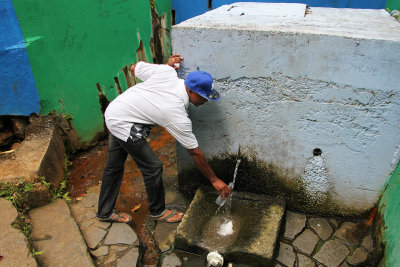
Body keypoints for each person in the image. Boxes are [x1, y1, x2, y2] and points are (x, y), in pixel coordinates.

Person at [96, 54, 232, 223]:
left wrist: (165, 66)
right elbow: (195, 153)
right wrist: (214, 180)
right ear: (189, 90)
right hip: (123, 122)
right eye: (202, 96)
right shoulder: (176, 113)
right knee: (153, 167)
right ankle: (158, 211)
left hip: (116, 110)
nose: (205, 100)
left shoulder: (166, 72)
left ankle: (104, 212)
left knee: (114, 166)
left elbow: (134, 68)